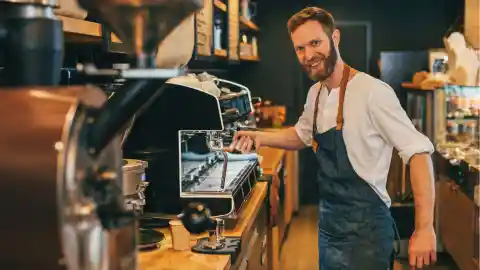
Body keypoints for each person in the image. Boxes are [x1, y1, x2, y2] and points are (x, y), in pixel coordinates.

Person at [229, 7, 437, 270]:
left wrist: (425, 227)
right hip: (329, 228)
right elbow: (301, 134)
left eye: (315, 43)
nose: (308, 55)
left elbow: (418, 153)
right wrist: (259, 137)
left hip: (367, 236)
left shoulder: (372, 92)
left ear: (335, 38)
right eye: (300, 48)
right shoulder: (315, 94)